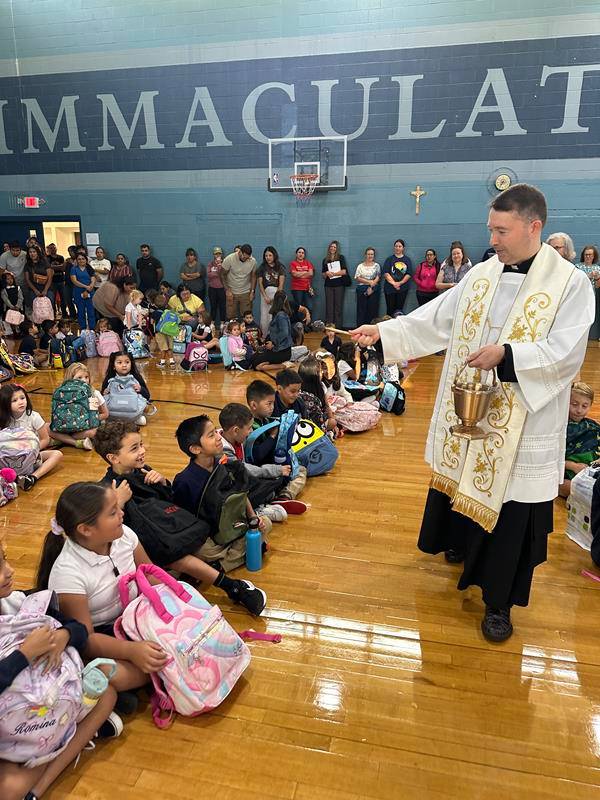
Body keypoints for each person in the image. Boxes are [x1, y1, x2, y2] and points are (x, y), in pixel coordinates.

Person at [352, 183, 595, 642]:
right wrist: (384, 334)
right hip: (471, 411)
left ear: (533, 226)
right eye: (491, 229)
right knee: (465, 481)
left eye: (502, 231)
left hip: (524, 419)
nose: (494, 239)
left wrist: (507, 354)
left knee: (512, 512)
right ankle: (460, 543)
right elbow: (436, 318)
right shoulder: (483, 272)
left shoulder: (571, 284)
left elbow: (566, 353)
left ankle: (499, 603)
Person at [93, 421, 267, 614]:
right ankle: (231, 586)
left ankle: (211, 573)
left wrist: (161, 482)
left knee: (197, 548)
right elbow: (106, 533)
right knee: (181, 557)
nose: (143, 450)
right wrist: (119, 503)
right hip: (149, 547)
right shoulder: (108, 490)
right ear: (113, 457)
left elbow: (168, 501)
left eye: (141, 444)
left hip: (168, 531)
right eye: (135, 448)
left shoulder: (141, 471)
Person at [0, 546, 121, 800]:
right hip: (9, 735)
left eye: (5, 561)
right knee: (8, 789)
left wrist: (62, 636)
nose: (9, 571)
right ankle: (62, 738)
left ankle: (36, 787)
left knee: (108, 694)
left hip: (43, 712)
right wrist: (24, 654)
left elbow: (77, 629)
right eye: (0, 568)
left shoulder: (17, 602)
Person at [37, 482, 170, 712]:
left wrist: (177, 610)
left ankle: (148, 677)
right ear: (86, 529)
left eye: (118, 508)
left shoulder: (124, 535)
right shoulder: (68, 572)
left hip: (138, 616)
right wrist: (132, 651)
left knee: (167, 648)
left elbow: (152, 574)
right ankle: (150, 675)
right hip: (103, 635)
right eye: (112, 512)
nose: (122, 513)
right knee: (112, 672)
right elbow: (86, 639)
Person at [172, 415, 272, 571]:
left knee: (265, 523)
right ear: (195, 449)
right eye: (211, 435)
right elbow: (184, 521)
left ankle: (221, 564)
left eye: (216, 432)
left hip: (234, 523)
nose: (219, 437)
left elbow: (241, 493)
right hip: (210, 536)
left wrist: (253, 517)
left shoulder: (225, 463)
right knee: (203, 551)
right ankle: (233, 558)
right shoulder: (185, 481)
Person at [218, 403, 307, 514]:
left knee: (297, 470)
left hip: (246, 480)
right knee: (274, 480)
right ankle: (267, 504)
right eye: (249, 428)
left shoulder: (234, 436)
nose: (251, 431)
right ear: (236, 430)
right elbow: (244, 469)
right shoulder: (222, 449)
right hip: (235, 490)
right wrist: (275, 470)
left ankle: (282, 497)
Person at [0, 383, 63, 490]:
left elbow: (45, 439)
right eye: (14, 400)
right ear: (5, 404)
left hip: (30, 457)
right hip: (8, 459)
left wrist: (33, 452)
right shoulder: (3, 419)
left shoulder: (33, 417)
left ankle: (32, 477)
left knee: (57, 454)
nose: (20, 402)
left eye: (22, 398)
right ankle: (9, 477)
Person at [49, 362, 108, 450]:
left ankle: (63, 439)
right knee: (46, 427)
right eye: (79, 378)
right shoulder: (61, 393)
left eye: (86, 377)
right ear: (70, 379)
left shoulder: (94, 393)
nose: (84, 380)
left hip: (85, 427)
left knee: (95, 432)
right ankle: (76, 442)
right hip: (66, 426)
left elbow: (105, 414)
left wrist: (90, 418)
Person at [558, 382, 600, 498]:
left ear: (591, 405)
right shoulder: (559, 427)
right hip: (567, 473)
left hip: (591, 471)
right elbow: (551, 458)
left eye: (584, 406)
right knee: (569, 487)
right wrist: (574, 466)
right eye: (574, 404)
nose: (579, 410)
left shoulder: (592, 427)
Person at [251, 291, 293, 372]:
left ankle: (284, 365)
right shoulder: (277, 314)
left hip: (282, 350)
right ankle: (270, 362)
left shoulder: (281, 315)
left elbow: (284, 333)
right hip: (276, 348)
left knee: (257, 365)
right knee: (254, 359)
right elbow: (274, 332)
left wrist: (273, 343)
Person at [298, 356, 339, 436]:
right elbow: (316, 419)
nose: (323, 373)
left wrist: (331, 419)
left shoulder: (321, 386)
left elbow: (326, 406)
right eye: (320, 371)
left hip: (320, 417)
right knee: (333, 422)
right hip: (310, 424)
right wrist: (331, 422)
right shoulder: (301, 392)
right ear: (314, 375)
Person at [221, 244, 257, 320]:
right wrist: (227, 290)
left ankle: (246, 331)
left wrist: (252, 291)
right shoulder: (229, 259)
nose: (245, 259)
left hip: (245, 291)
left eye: (247, 258)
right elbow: (222, 275)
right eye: (244, 257)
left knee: (247, 316)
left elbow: (253, 276)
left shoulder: (252, 261)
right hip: (232, 291)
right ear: (240, 252)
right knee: (230, 316)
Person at [257, 247, 285, 337]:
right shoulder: (261, 268)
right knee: (264, 317)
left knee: (274, 316)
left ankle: (274, 336)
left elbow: (281, 284)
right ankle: (265, 336)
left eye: (270, 255)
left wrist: (276, 297)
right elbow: (260, 284)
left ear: (274, 256)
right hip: (265, 294)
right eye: (266, 255)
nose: (268, 257)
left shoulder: (280, 267)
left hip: (276, 294)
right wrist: (265, 297)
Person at [575, 245, 600, 340]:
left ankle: (588, 337)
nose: (588, 256)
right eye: (586, 254)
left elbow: (598, 286)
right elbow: (575, 281)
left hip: (591, 297)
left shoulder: (597, 268)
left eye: (590, 254)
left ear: (594, 256)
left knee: (590, 318)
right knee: (579, 318)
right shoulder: (577, 266)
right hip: (579, 297)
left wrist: (597, 278)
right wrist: (588, 275)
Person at [322, 240, 348, 329]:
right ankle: (329, 327)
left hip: (339, 285)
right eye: (331, 247)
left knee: (338, 307)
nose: (332, 248)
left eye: (334, 247)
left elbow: (344, 272)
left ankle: (338, 327)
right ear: (329, 248)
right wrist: (327, 273)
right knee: (329, 307)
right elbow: (323, 275)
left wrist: (333, 274)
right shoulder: (325, 260)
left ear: (337, 249)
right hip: (328, 286)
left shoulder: (341, 258)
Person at [382, 239, 413, 315]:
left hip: (402, 289)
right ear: (394, 247)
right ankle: (389, 326)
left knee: (399, 311)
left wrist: (400, 283)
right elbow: (386, 273)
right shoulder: (389, 259)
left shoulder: (407, 260)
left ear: (403, 248)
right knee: (390, 309)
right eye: (396, 246)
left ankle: (397, 326)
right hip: (390, 289)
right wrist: (394, 284)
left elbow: (408, 274)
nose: (398, 248)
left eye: (400, 246)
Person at [354, 247, 381, 326]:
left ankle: (371, 328)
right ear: (365, 255)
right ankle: (361, 328)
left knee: (372, 310)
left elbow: (378, 276)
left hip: (374, 290)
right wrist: (369, 282)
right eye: (368, 254)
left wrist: (371, 286)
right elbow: (357, 277)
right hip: (362, 290)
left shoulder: (377, 265)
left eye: (372, 254)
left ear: (374, 255)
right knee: (361, 310)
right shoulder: (360, 266)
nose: (370, 256)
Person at [69, 252, 96, 331]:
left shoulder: (89, 268)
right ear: (76, 260)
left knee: (91, 311)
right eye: (79, 259)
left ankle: (92, 329)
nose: (81, 260)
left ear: (86, 260)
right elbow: (74, 281)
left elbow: (93, 279)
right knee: (81, 312)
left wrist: (90, 287)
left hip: (90, 292)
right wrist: (85, 287)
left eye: (83, 259)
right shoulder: (74, 269)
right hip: (78, 292)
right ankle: (83, 329)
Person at [24, 245, 54, 313]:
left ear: (37, 252)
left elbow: (50, 277)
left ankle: (49, 322)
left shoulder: (45, 262)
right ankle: (38, 323)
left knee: (48, 308)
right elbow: (27, 280)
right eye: (30, 252)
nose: (32, 254)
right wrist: (35, 290)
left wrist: (45, 290)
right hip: (34, 290)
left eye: (34, 252)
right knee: (37, 310)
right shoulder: (27, 265)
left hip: (47, 289)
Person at [289, 247, 314, 319]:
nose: (301, 254)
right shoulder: (293, 263)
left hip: (307, 289)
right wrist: (306, 273)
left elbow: (311, 274)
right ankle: (299, 325)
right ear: (296, 254)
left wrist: (299, 274)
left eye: (302, 253)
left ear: (304, 255)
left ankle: (308, 325)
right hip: (297, 289)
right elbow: (294, 274)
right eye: (299, 252)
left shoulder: (308, 263)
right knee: (299, 307)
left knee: (309, 307)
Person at [46, 243, 70, 319]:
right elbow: (49, 267)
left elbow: (63, 268)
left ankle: (64, 313)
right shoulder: (47, 258)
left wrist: (54, 267)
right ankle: (53, 314)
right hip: (52, 281)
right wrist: (58, 267)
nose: (53, 249)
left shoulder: (61, 257)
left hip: (61, 280)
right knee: (52, 299)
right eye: (51, 248)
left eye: (54, 248)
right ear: (49, 250)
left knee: (63, 298)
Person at [206, 247, 226, 326]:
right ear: (213, 255)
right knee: (213, 306)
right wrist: (215, 273)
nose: (217, 255)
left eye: (219, 253)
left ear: (221, 254)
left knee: (222, 307)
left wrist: (218, 267)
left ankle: (222, 324)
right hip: (212, 289)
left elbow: (222, 274)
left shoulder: (224, 263)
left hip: (221, 288)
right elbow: (208, 274)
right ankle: (212, 323)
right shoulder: (210, 264)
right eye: (216, 254)